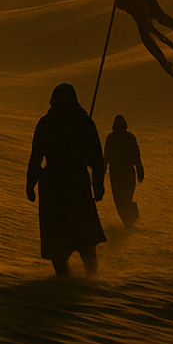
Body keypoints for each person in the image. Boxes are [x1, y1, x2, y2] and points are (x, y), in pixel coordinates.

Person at [26, 84, 106, 275]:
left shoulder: (49, 122)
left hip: (58, 184)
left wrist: (31, 184)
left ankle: (79, 278)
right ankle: (84, 277)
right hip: (73, 183)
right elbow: (96, 158)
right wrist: (97, 185)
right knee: (77, 237)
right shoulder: (83, 122)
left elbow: (36, 157)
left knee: (69, 237)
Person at [103, 114, 144, 228]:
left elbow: (106, 158)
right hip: (126, 172)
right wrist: (140, 170)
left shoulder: (113, 138)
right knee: (124, 199)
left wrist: (101, 174)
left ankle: (130, 223)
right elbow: (137, 156)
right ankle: (131, 223)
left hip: (118, 173)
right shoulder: (128, 137)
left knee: (120, 200)